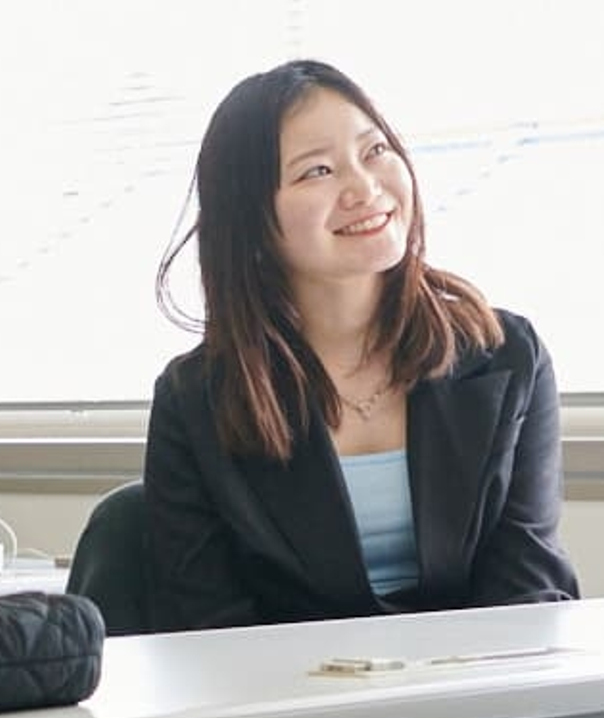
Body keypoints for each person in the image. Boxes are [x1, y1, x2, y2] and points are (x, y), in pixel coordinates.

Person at [142, 59, 578, 631]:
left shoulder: (506, 355)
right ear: (250, 220)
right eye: (317, 171)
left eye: (374, 151)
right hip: (290, 707)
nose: (365, 188)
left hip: (484, 695)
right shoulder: (195, 401)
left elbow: (529, 588)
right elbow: (207, 628)